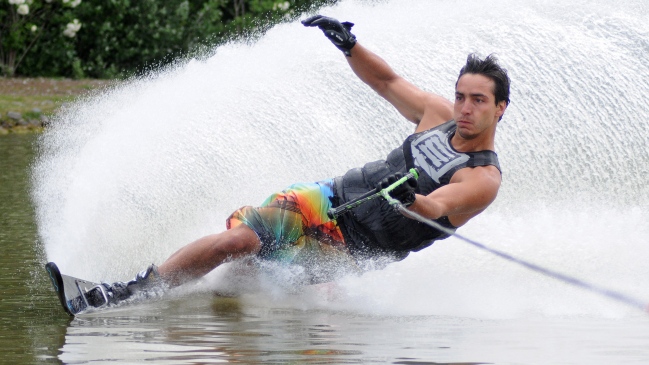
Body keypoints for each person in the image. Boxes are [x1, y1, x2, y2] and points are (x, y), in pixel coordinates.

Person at [93, 15, 510, 306]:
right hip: (327, 198)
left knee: (248, 282)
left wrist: (411, 199)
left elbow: (439, 205)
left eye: (478, 100)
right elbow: (387, 81)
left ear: (500, 108)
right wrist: (349, 44)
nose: (464, 108)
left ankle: (202, 297)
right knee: (238, 243)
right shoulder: (436, 114)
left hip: (355, 249)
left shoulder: (482, 177)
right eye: (461, 96)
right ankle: (133, 292)